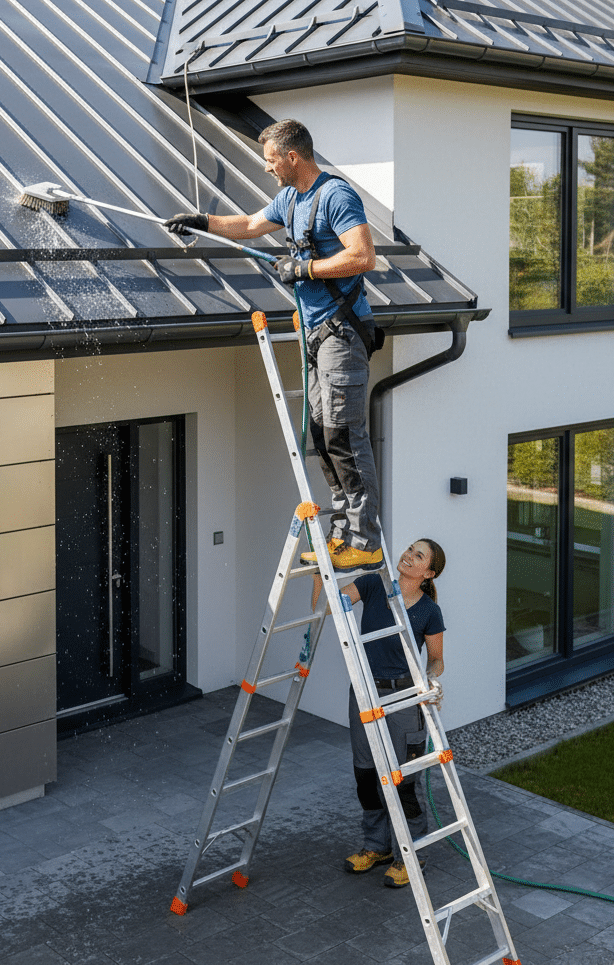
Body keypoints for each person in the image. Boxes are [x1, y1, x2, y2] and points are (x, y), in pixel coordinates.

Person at [164, 119, 382, 571]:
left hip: (342, 333)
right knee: (322, 434)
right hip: (316, 332)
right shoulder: (291, 198)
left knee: (344, 434)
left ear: (292, 157)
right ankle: (344, 534)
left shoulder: (334, 197)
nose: (267, 169)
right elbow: (247, 224)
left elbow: (363, 256)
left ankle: (366, 538)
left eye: (269, 161)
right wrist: (201, 222)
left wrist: (306, 271)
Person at [313, 538, 446, 888]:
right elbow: (326, 607)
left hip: (402, 700)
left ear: (428, 573)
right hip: (364, 694)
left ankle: (411, 854)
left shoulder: (428, 611)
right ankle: (377, 847)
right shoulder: (373, 585)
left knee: (402, 783)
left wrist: (431, 682)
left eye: (418, 556)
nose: (408, 556)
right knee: (366, 777)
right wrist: (319, 567)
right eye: (409, 549)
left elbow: (436, 659)